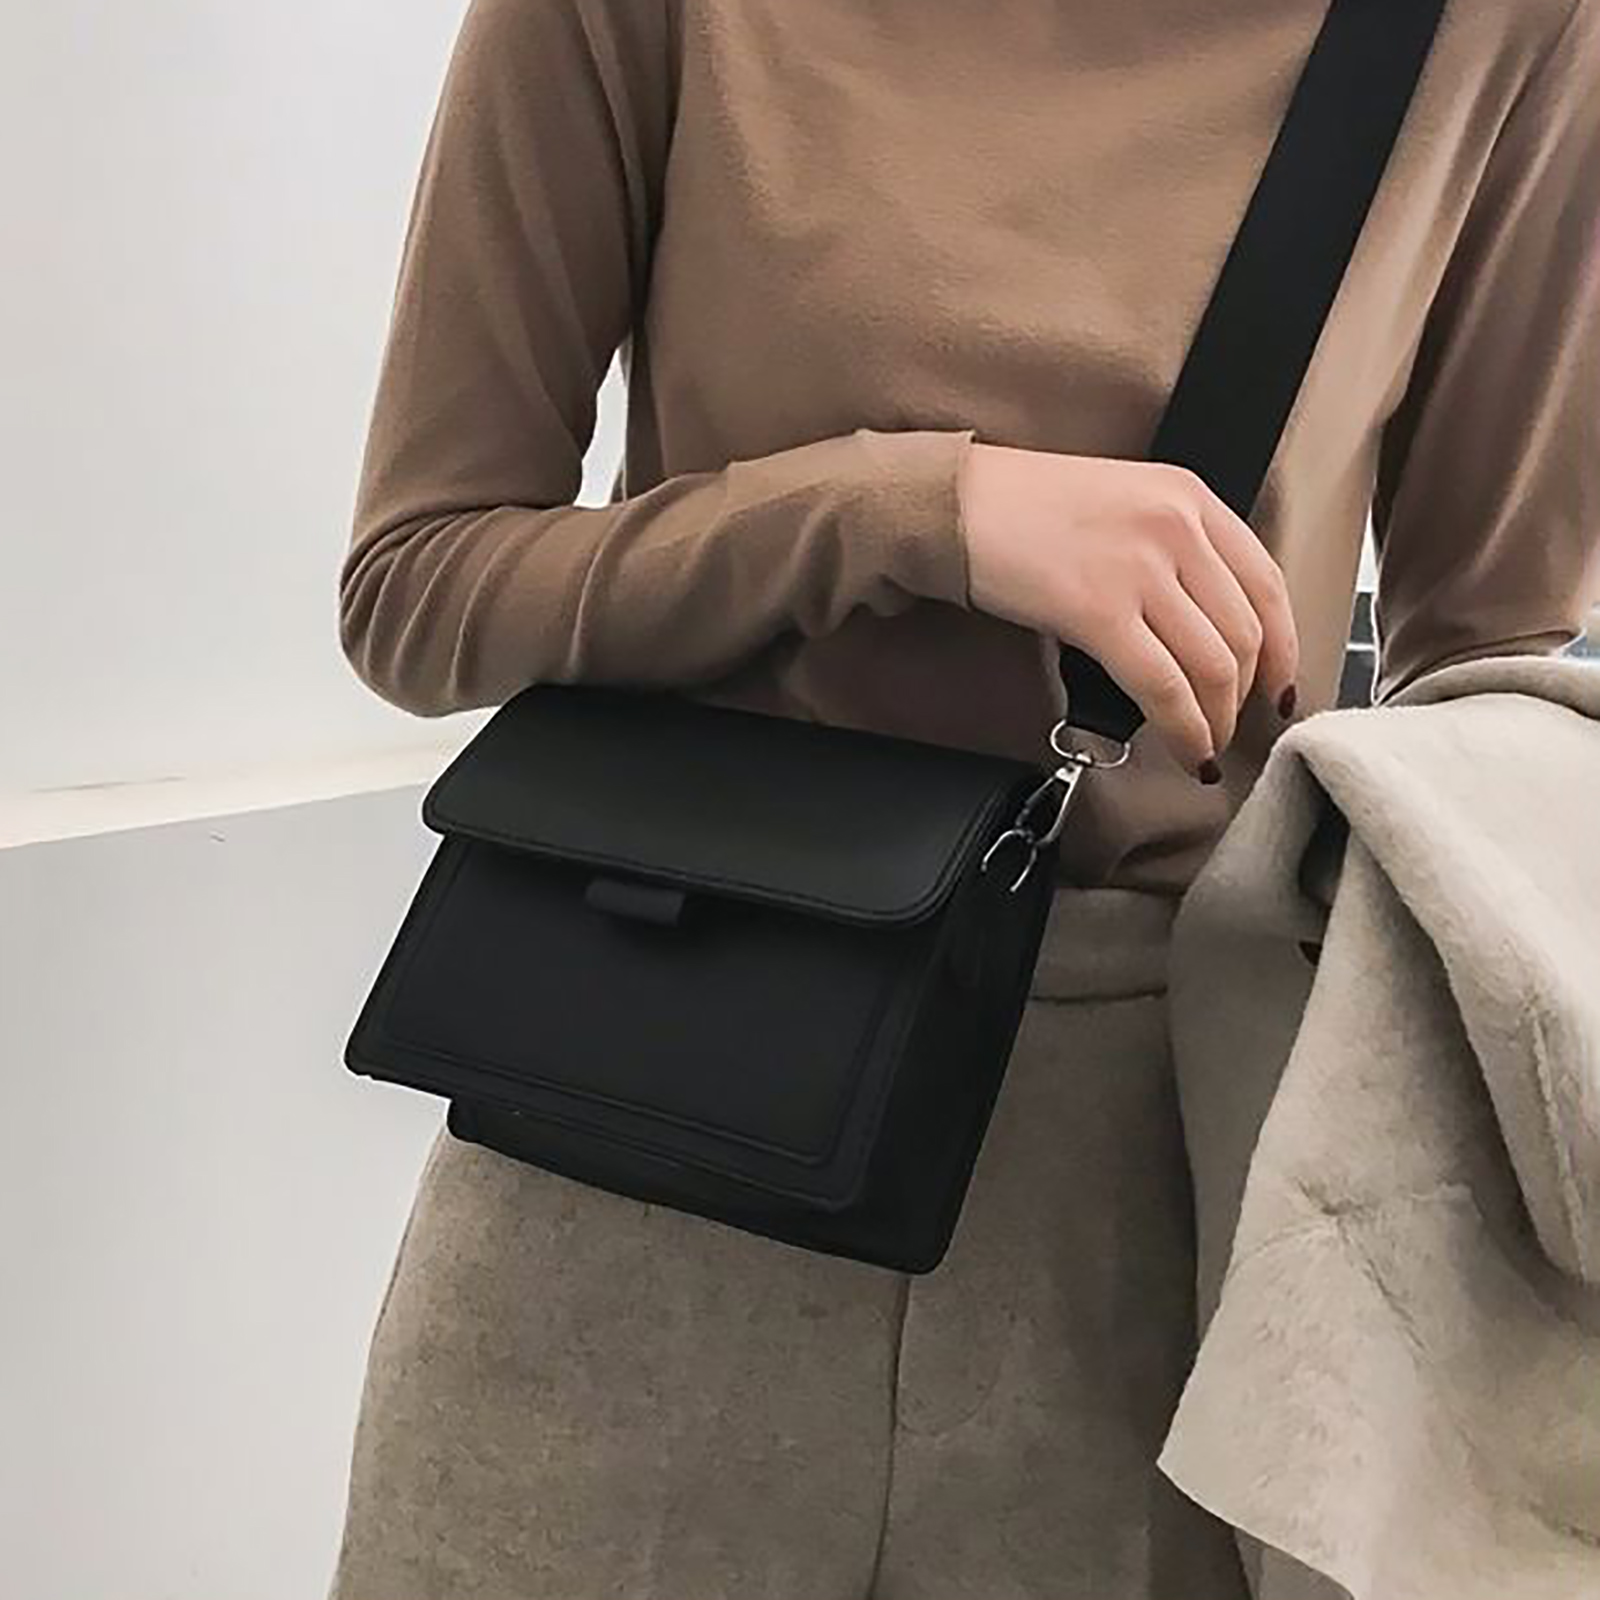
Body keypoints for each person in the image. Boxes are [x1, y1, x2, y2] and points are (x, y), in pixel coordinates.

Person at [327, 1, 1600, 1596]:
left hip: (1151, 1195)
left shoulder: (1498, 29)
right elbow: (417, 586)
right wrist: (911, 511)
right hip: (640, 1137)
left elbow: (1487, 676)